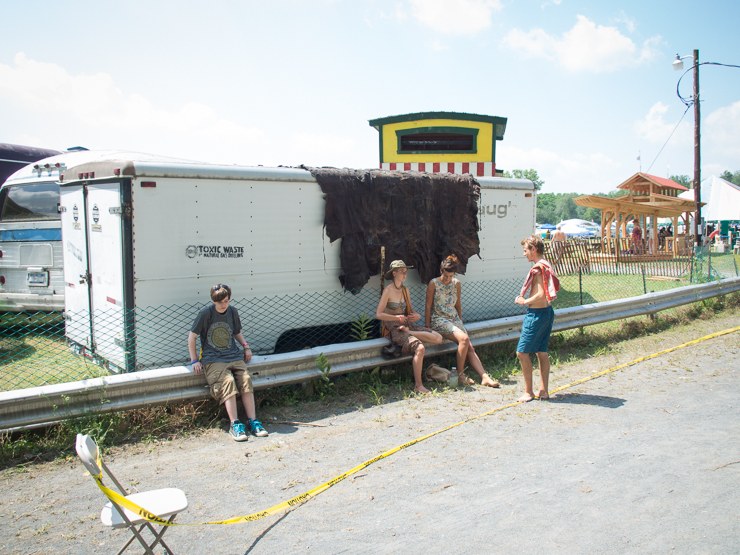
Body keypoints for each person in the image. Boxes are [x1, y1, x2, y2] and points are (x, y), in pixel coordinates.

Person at [188, 284, 268, 441]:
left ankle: (253, 421)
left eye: (226, 301)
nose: (223, 305)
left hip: (233, 355)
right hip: (213, 358)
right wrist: (194, 360)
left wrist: (246, 346)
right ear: (214, 301)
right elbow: (192, 337)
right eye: (220, 302)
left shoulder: (233, 312)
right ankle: (235, 424)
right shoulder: (205, 314)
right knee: (228, 381)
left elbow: (236, 332)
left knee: (246, 379)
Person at [425, 255, 500, 388]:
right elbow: (428, 306)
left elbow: (458, 305)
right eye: (445, 276)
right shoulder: (433, 283)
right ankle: (460, 375)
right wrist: (427, 326)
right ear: (441, 271)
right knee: (464, 339)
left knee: (469, 346)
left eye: (451, 276)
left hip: (454, 319)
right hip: (439, 319)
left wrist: (460, 322)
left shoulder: (456, 283)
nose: (448, 279)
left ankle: (484, 377)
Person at [376, 260, 443, 394]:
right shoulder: (388, 290)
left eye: (406, 271)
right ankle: (418, 385)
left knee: (438, 337)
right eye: (402, 271)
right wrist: (396, 318)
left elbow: (410, 312)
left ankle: (410, 333)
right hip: (394, 328)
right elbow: (378, 314)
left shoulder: (405, 290)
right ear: (394, 273)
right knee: (420, 348)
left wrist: (416, 316)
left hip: (407, 325)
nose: (405, 274)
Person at [514, 235, 559, 402]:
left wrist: (524, 301)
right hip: (547, 313)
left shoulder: (538, 268)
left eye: (525, 250)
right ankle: (544, 390)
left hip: (536, 314)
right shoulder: (546, 264)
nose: (524, 253)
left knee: (522, 352)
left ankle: (528, 392)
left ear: (533, 249)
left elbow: (541, 294)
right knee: (541, 352)